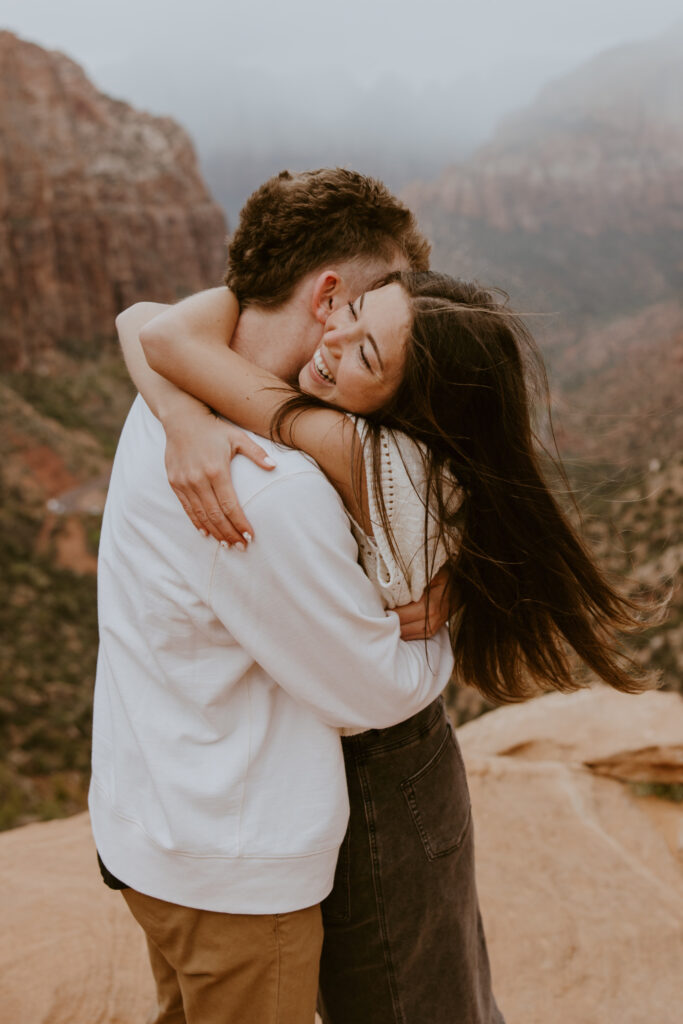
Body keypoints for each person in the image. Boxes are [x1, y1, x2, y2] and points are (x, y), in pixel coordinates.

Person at [118, 173, 649, 1024]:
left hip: (382, 774)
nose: (334, 337)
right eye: (347, 314)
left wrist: (184, 404)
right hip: (358, 773)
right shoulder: (297, 450)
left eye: (366, 348)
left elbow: (158, 332)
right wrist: (184, 411)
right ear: (327, 293)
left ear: (410, 402)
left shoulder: (357, 453)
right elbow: (149, 329)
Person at [91, 167, 465, 1024]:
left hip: (152, 825)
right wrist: (437, 627)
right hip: (235, 868)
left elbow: (153, 324)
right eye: (369, 310)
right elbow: (371, 694)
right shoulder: (266, 485)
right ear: (329, 294)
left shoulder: (180, 394)